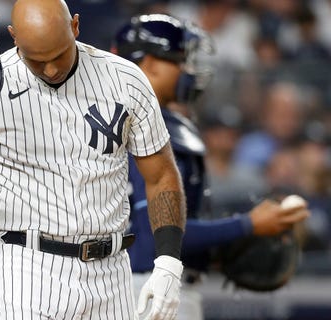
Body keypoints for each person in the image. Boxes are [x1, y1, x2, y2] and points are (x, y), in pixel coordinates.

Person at [0, 1, 189, 319]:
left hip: (111, 272)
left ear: (75, 26)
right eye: (38, 60)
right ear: (14, 37)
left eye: (58, 55)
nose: (51, 69)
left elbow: (161, 174)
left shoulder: (125, 79)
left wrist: (168, 261)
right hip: (26, 270)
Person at [112, 14, 311, 320]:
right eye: (181, 60)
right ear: (149, 65)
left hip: (147, 286)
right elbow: (157, 236)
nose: (189, 71)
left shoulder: (128, 122)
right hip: (149, 289)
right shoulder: (145, 129)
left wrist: (220, 247)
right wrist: (247, 226)